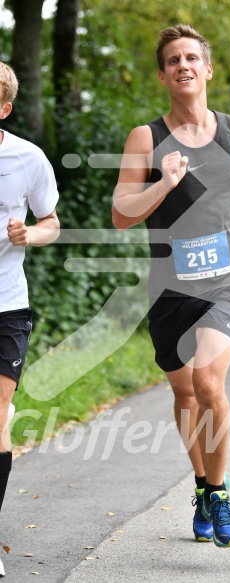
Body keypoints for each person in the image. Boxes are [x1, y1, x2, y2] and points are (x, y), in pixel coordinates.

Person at [112, 24, 230, 548]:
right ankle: (203, 484)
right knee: (185, 392)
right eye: (173, 60)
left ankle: (220, 493)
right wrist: (162, 182)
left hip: (229, 279)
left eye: (192, 57)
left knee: (209, 383)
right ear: (164, 75)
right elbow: (121, 214)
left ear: (207, 70)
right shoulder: (147, 138)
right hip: (169, 286)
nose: (183, 65)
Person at [0, 62, 60, 575]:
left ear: (4, 108)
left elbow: (52, 223)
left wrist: (30, 236)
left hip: (6, 305)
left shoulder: (28, 158)